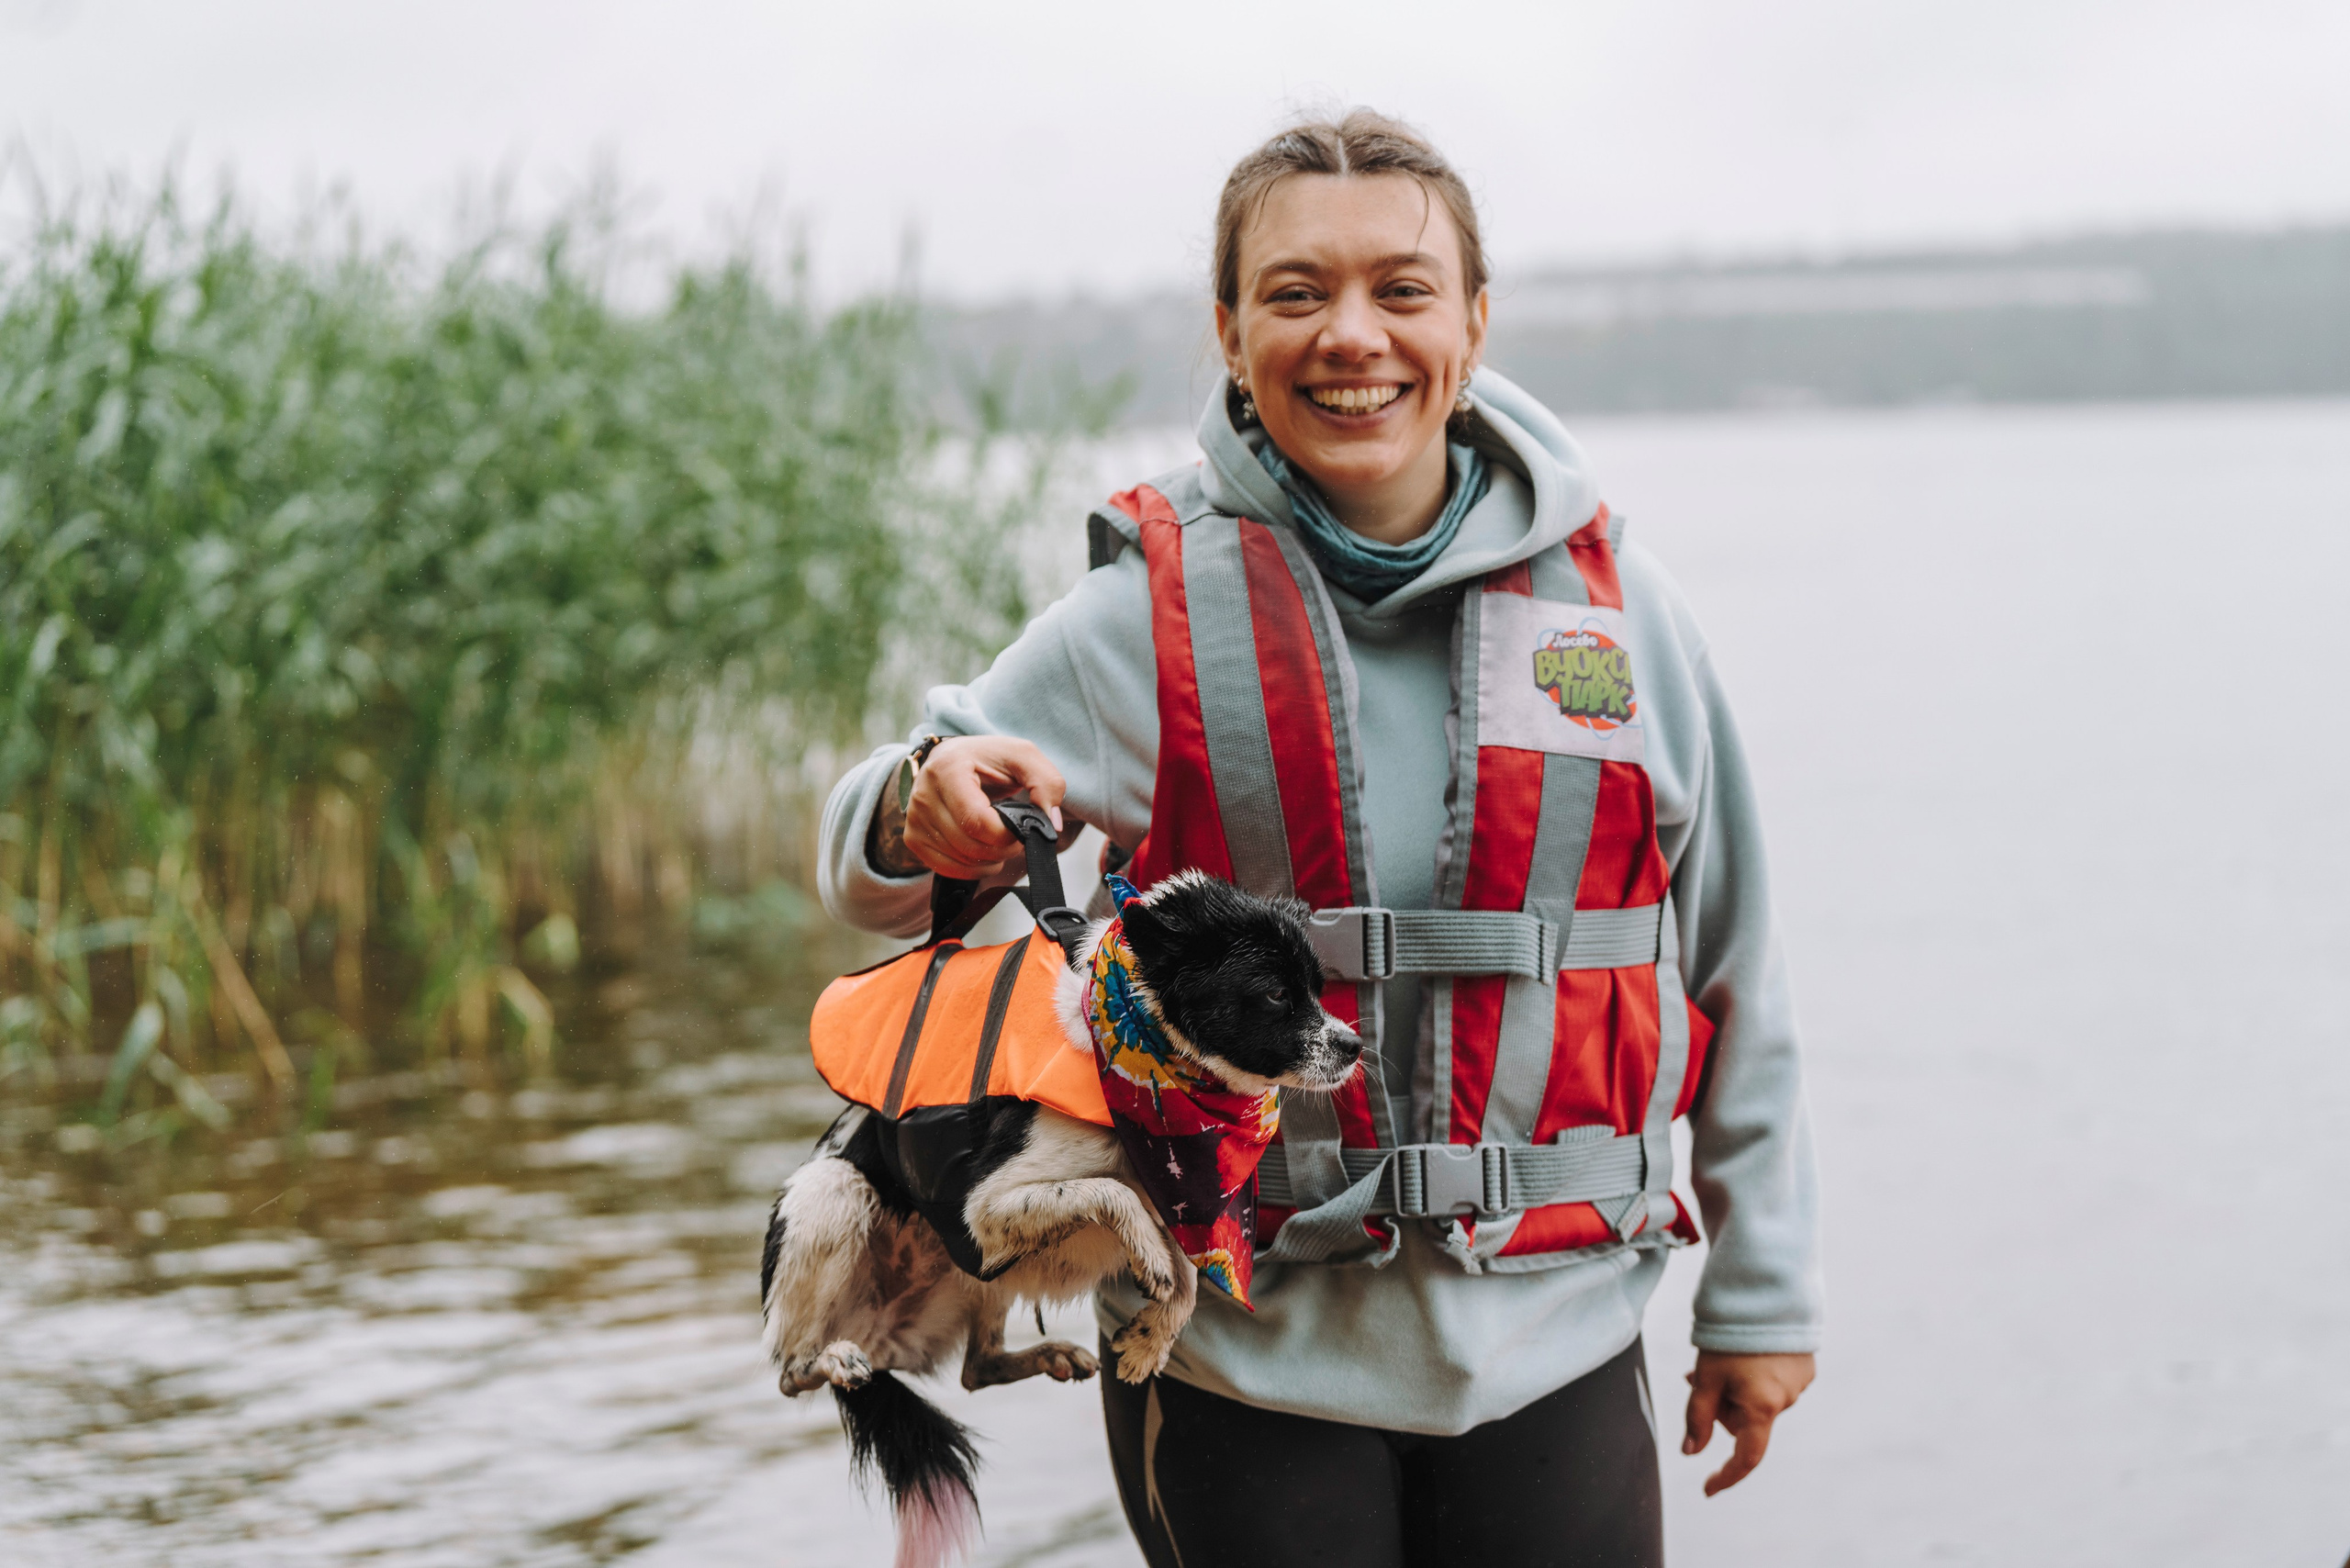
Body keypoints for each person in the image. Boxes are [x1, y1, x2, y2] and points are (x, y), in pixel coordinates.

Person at [818, 109, 1821, 1568]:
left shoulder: (1629, 622)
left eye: (1401, 289)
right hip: (1239, 1352)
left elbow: (1739, 973)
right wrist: (921, 803)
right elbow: (872, 846)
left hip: (1558, 1343)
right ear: (1230, 332)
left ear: (1473, 324)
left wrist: (1763, 1298)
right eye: (1297, 293)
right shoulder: (1138, 621)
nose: (1353, 335)